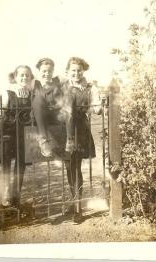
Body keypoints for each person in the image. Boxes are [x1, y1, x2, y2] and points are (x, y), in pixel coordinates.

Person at [62, 57, 102, 223]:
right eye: (73, 70)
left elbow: (97, 108)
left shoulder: (90, 88)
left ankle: (78, 208)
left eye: (79, 70)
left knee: (76, 167)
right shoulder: (63, 87)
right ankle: (74, 200)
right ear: (68, 71)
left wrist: (97, 106)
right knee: (69, 167)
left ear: (83, 70)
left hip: (80, 131)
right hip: (63, 130)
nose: (76, 73)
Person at [0, 65, 34, 207]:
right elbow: (0, 113)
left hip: (24, 133)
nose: (24, 77)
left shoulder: (33, 94)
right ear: (16, 77)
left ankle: (16, 194)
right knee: (6, 162)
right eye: (21, 75)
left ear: (30, 77)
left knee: (20, 165)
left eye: (27, 75)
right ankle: (6, 191)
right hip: (9, 132)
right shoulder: (8, 92)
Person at [32, 58, 66, 158]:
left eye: (50, 71)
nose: (47, 74)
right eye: (44, 71)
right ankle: (43, 141)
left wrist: (84, 83)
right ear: (38, 71)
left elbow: (74, 80)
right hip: (39, 118)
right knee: (38, 98)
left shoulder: (58, 81)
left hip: (55, 117)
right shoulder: (34, 83)